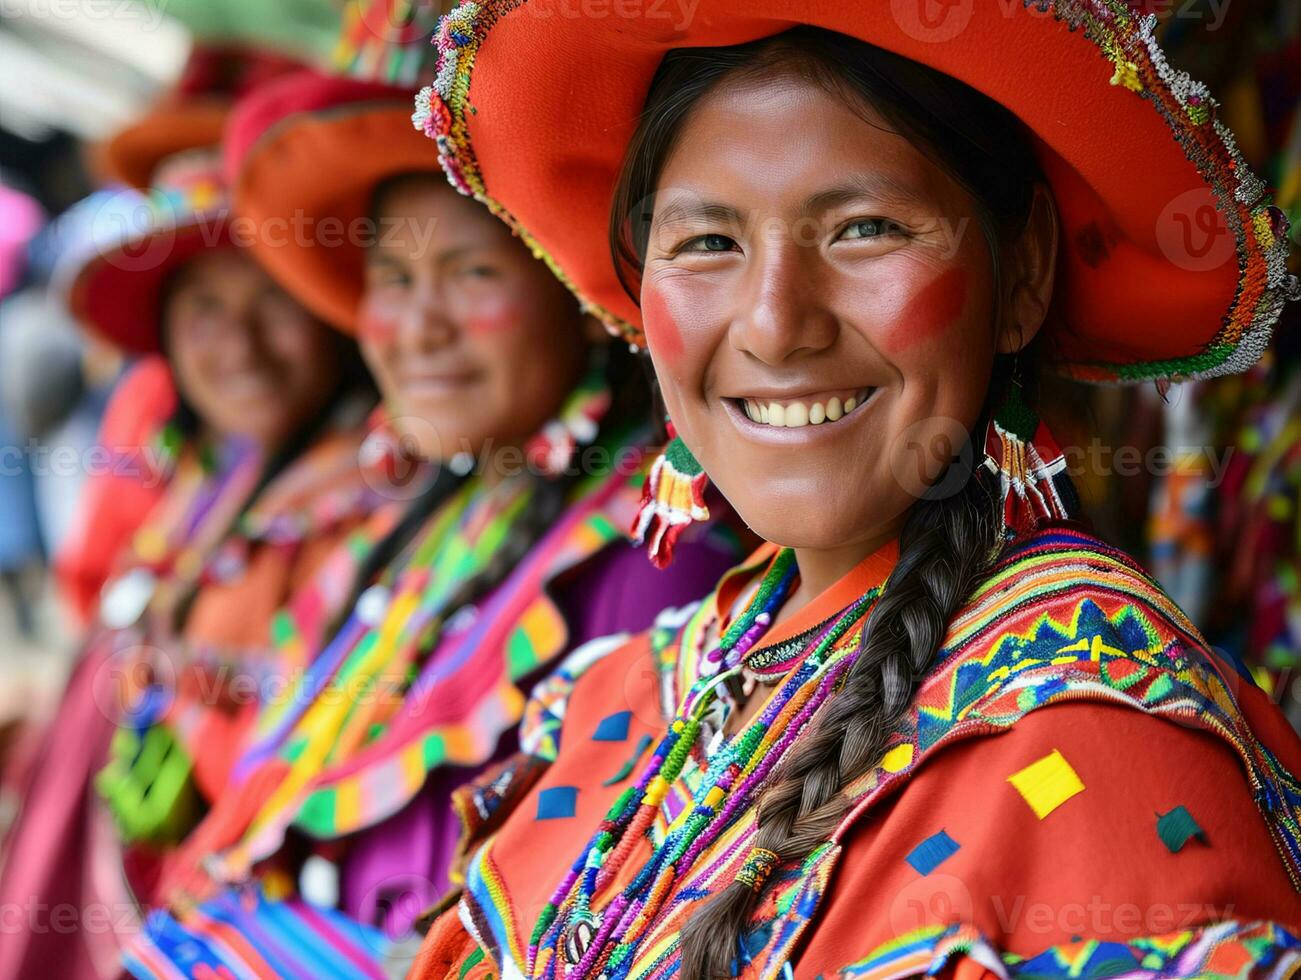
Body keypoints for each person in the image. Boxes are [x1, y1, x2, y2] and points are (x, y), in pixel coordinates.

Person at [402, 4, 1301, 978]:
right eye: (707, 241)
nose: (775, 323)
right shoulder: (625, 695)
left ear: (1025, 269)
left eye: (864, 228)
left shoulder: (1094, 738)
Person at [120, 13, 746, 972]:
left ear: (577, 300)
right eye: (392, 277)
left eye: (470, 273)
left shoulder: (655, 569)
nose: (417, 327)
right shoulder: (436, 515)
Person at [0, 67, 396, 979]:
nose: (240, 346)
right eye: (205, 310)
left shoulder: (376, 509)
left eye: (271, 305)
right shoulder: (209, 471)